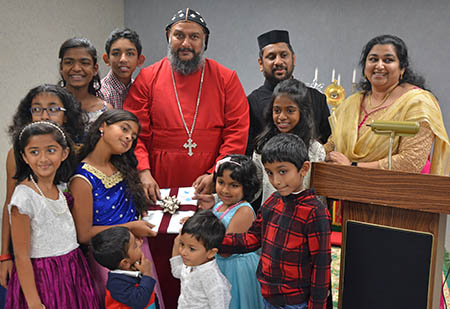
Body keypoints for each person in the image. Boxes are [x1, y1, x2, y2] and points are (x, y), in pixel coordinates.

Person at [123, 8, 249, 307]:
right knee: (165, 250)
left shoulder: (226, 78)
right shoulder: (148, 78)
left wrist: (216, 174)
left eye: (194, 36)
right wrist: (143, 172)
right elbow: (133, 132)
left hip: (208, 184)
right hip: (159, 180)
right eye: (179, 35)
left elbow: (236, 131)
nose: (186, 43)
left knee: (204, 250)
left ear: (205, 41)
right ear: (169, 36)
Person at [221, 134, 331, 309]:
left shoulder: (315, 213)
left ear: (304, 169)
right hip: (269, 296)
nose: (276, 181)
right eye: (270, 173)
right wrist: (214, 241)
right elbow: (252, 239)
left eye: (282, 171)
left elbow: (321, 266)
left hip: (295, 302)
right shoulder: (272, 202)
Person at [69, 110, 164, 308]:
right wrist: (130, 227)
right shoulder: (83, 178)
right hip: (111, 259)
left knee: (148, 299)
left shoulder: (121, 166)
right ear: (102, 126)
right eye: (124, 129)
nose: (129, 137)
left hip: (137, 249)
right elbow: (84, 234)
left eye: (134, 136)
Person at [0, 84, 87, 289]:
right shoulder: (18, 154)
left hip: (70, 252)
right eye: (37, 109)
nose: (44, 114)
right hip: (33, 254)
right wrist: (5, 255)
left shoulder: (77, 151)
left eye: (53, 108)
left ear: (66, 115)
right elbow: (10, 205)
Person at [324, 34, 450, 176]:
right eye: (373, 59)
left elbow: (411, 161)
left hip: (397, 191)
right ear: (365, 66)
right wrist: (324, 156)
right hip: (345, 186)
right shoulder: (351, 103)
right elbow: (331, 146)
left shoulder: (418, 103)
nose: (379, 65)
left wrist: (354, 166)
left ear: (402, 68)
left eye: (388, 60)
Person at [6, 121, 98, 308]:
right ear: (24, 157)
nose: (43, 159)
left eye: (50, 150)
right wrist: (33, 302)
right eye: (34, 152)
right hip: (43, 278)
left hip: (73, 270)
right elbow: (22, 256)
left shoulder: (62, 187)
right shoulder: (23, 198)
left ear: (64, 153)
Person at [246, 29, 331, 156]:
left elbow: (328, 142)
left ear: (294, 59)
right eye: (271, 57)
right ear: (261, 64)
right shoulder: (252, 102)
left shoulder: (316, 98)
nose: (278, 62)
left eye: (284, 55)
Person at [254, 78, 325, 207]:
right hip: (271, 217)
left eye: (290, 110)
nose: (281, 117)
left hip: (302, 219)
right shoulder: (262, 145)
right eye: (277, 110)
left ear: (302, 112)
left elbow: (318, 196)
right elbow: (253, 187)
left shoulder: (315, 150)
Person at [211, 154, 264, 308]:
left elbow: (226, 248)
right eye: (221, 182)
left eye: (233, 185)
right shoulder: (219, 205)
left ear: (246, 186)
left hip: (236, 270)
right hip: (219, 264)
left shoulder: (244, 211)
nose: (225, 190)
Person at [170, 210, 231, 309]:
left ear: (211, 253)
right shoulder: (192, 263)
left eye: (191, 249)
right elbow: (177, 271)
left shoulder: (213, 279)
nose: (183, 252)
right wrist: (177, 241)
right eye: (182, 244)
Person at [91, 226, 159, 308]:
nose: (140, 242)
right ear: (125, 263)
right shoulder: (116, 284)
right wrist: (147, 274)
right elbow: (140, 301)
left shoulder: (134, 267)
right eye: (135, 245)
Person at [59, 37, 113, 125]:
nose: (76, 68)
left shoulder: (105, 110)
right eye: (69, 62)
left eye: (84, 63)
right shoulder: (49, 105)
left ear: (95, 69)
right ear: (61, 67)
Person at [99, 28, 146, 109]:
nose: (123, 59)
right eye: (116, 53)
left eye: (130, 54)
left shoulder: (140, 91)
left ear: (140, 60)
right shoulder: (99, 92)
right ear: (107, 59)